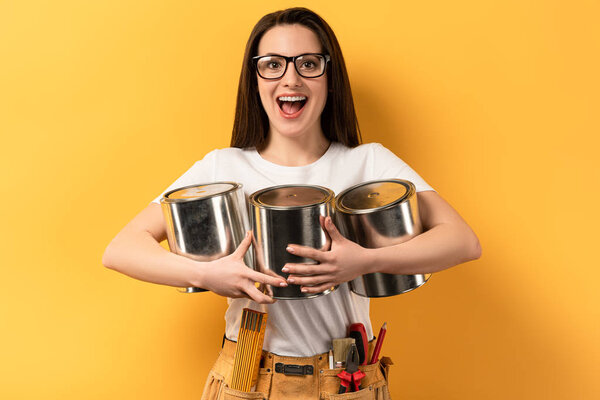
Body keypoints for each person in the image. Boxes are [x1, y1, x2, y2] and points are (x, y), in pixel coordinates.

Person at [102, 7, 481, 400]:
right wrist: (207, 275)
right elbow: (121, 249)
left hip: (345, 377)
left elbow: (462, 241)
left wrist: (365, 262)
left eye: (308, 63)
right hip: (246, 378)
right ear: (255, 79)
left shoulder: (367, 162)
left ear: (330, 78)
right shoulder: (223, 166)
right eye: (272, 65)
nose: (291, 77)